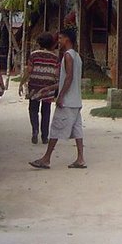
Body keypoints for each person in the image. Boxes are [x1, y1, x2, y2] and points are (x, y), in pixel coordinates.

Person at [30, 28, 86, 169]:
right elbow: (68, 80)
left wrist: (60, 96)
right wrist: (50, 88)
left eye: (60, 38)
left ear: (67, 39)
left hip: (67, 101)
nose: (58, 41)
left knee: (55, 129)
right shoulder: (77, 56)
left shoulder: (67, 56)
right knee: (77, 130)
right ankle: (80, 158)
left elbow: (69, 77)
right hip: (76, 100)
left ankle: (46, 158)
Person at [18, 32, 60, 144]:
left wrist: (21, 83)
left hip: (34, 86)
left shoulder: (34, 54)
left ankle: (35, 130)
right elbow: (57, 73)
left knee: (33, 109)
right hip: (49, 86)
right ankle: (45, 136)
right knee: (46, 111)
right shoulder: (55, 57)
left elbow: (29, 71)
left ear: (39, 43)